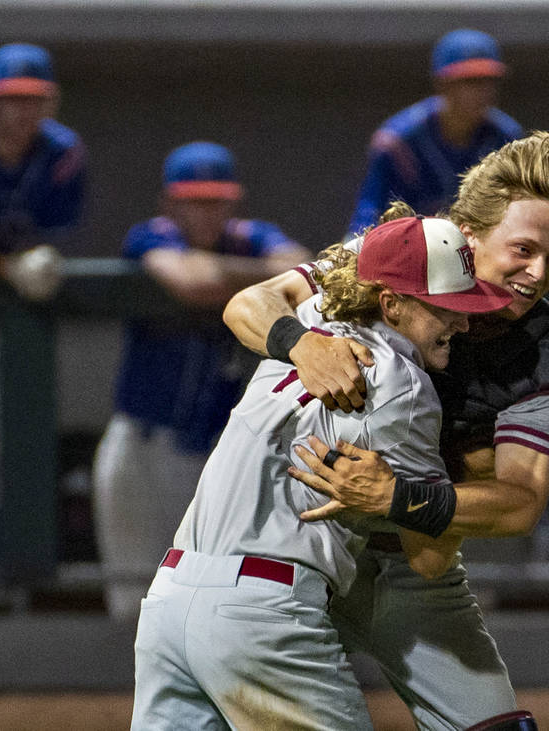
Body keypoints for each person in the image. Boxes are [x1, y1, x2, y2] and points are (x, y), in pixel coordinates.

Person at [223, 131, 549, 729]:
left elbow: (519, 505)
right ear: (468, 235)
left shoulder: (542, 354)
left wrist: (402, 496)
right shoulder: (396, 257)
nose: (537, 272)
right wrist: (302, 344)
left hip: (409, 561)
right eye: (522, 249)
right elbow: (248, 304)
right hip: (297, 545)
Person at [132, 213, 514, 729]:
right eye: (445, 306)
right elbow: (428, 558)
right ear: (391, 303)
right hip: (262, 614)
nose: (463, 322)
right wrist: (468, 446)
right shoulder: (405, 385)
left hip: (167, 603)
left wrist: (299, 341)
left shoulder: (310, 325)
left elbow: (249, 305)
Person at [92, 141, 307, 621]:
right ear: (170, 203)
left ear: (233, 202)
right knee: (132, 603)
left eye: (216, 200)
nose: (206, 212)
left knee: (201, 595)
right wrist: (255, 284)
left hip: (209, 447)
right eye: (194, 200)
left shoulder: (251, 237)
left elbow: (300, 269)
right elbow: (191, 283)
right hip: (140, 446)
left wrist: (225, 274)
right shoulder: (149, 235)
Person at [0, 43, 85, 608]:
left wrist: (22, 263)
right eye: (11, 99)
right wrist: (6, 267)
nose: (22, 112)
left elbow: (48, 233)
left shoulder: (62, 154)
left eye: (34, 100)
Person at [347, 28, 522, 235]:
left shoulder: (506, 139)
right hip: (408, 252)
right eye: (470, 82)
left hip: (479, 251)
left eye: (488, 81)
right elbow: (368, 217)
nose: (482, 92)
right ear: (442, 84)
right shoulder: (398, 142)